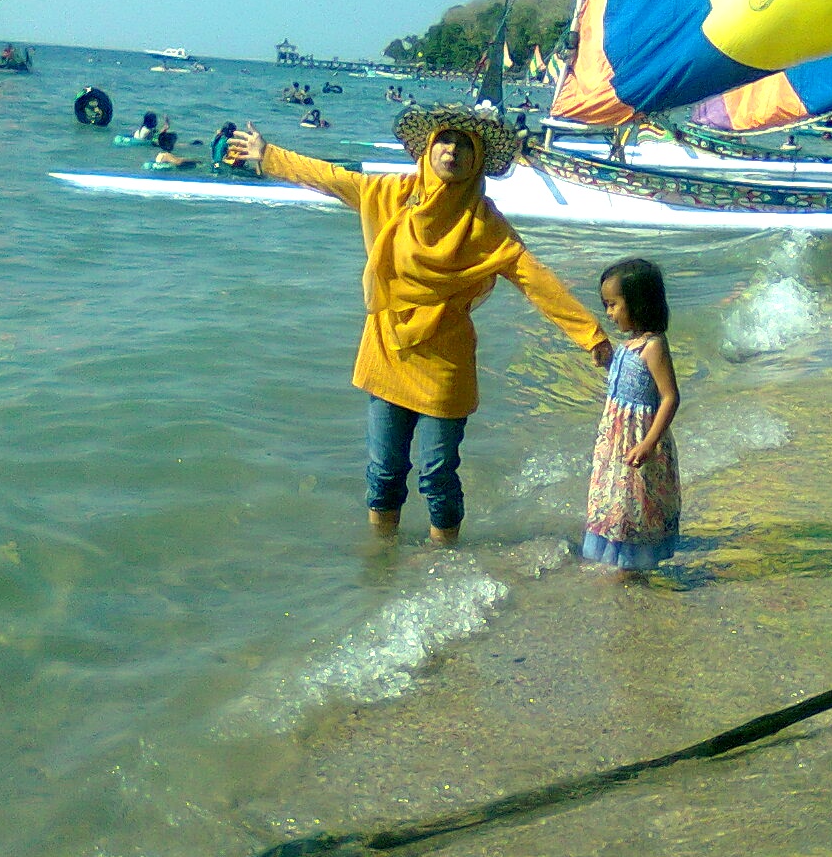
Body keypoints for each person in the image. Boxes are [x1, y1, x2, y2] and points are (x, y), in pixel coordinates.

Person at [224, 103, 612, 544]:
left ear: (478, 159)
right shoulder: (391, 195)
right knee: (384, 471)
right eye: (445, 140)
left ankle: (443, 564)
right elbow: (334, 178)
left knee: (437, 474)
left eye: (465, 145)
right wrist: (269, 155)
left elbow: (536, 279)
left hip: (445, 362)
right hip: (387, 348)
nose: (452, 151)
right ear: (428, 150)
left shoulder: (486, 226)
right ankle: (381, 564)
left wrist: (590, 335)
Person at [583, 258, 681, 582]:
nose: (609, 313)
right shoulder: (628, 346)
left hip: (640, 441)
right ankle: (623, 562)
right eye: (606, 305)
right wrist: (608, 361)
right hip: (616, 444)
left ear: (638, 302)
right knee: (616, 503)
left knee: (634, 506)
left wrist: (649, 442)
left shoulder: (653, 347)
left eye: (613, 305)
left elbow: (669, 397)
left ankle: (630, 570)